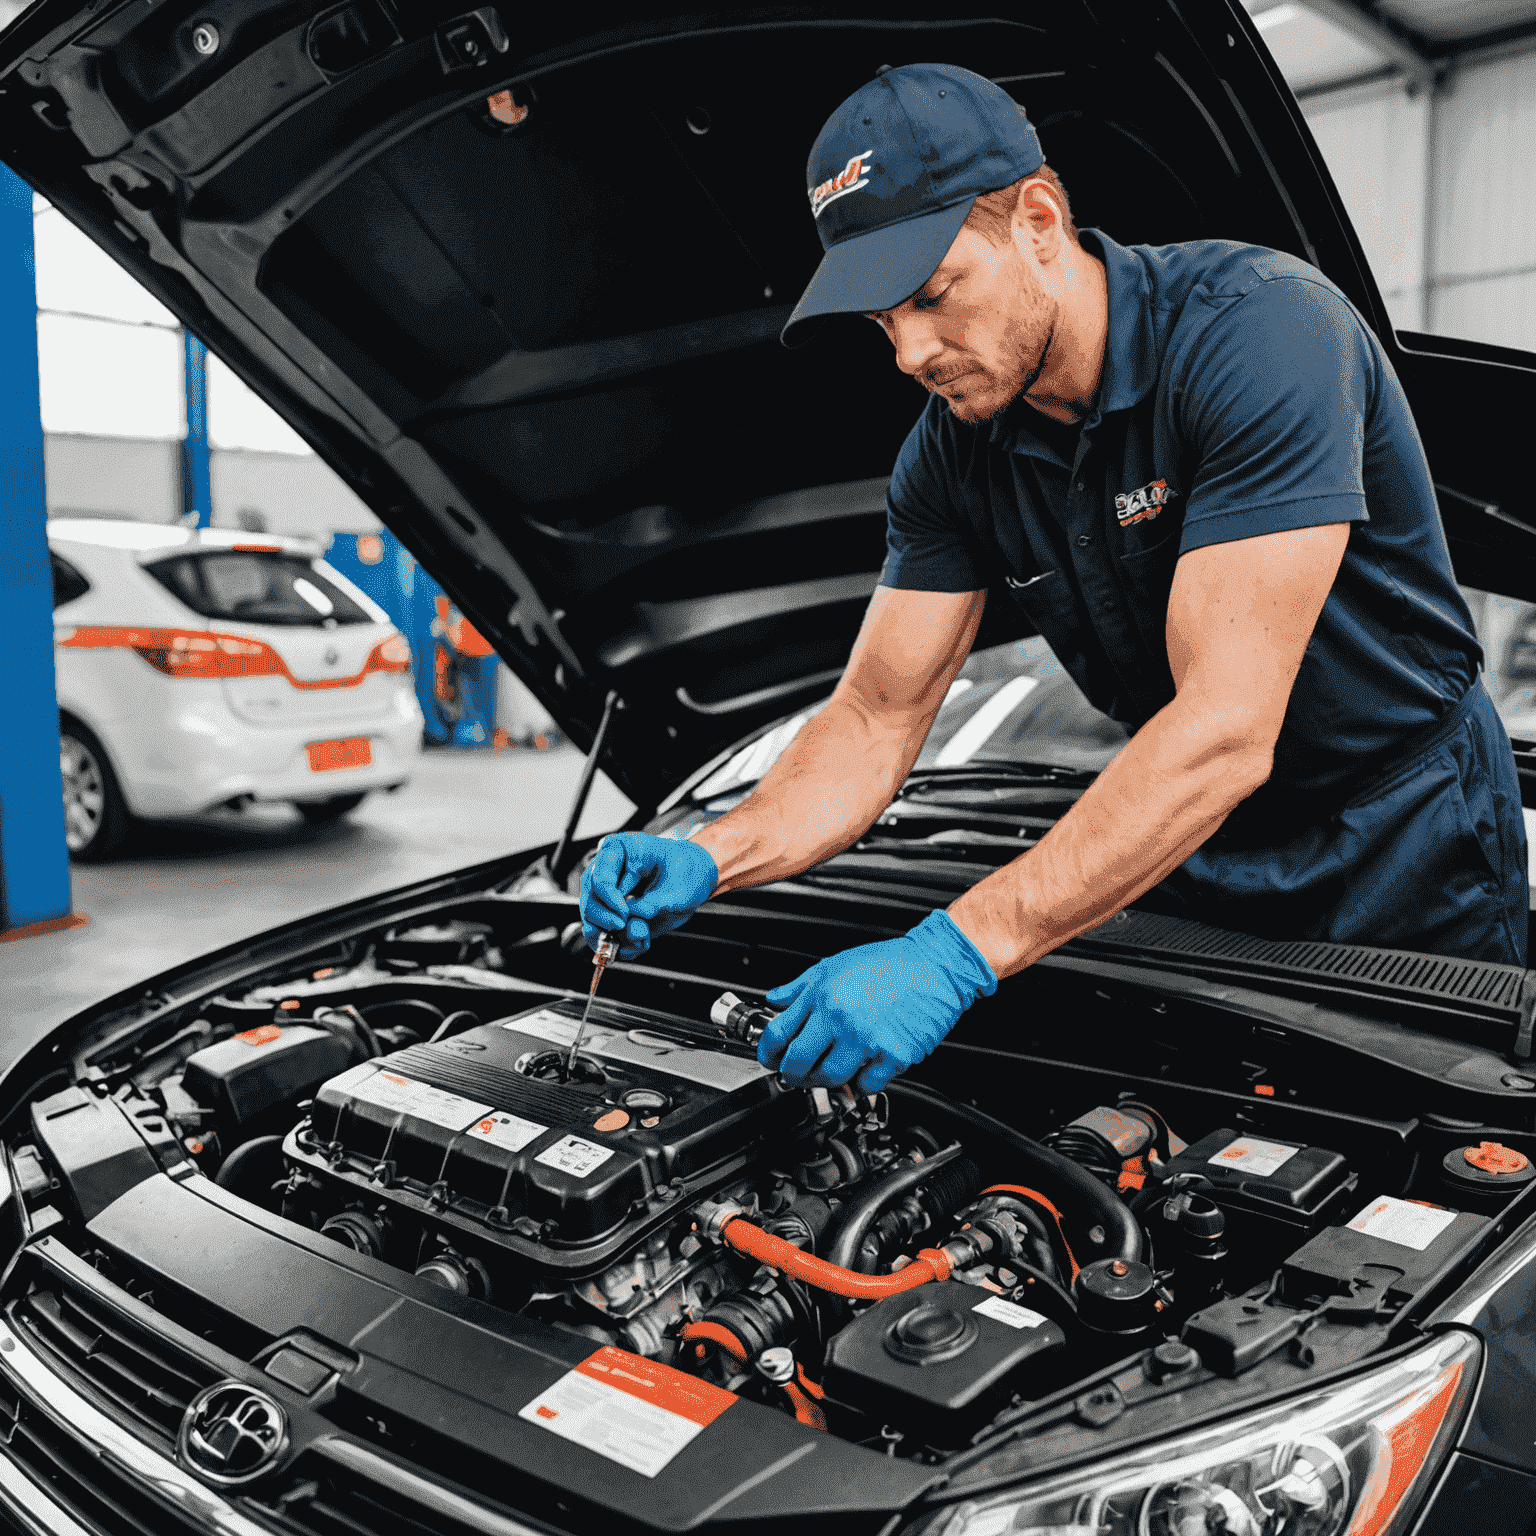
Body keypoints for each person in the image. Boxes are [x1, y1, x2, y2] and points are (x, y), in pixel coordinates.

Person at [581, 62, 1527, 1096]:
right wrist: (717, 852)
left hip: (1401, 835)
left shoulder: (1260, 333)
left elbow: (1222, 726)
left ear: (1038, 220)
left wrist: (953, 952)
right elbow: (873, 719)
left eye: (932, 296)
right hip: (1186, 835)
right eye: (878, 322)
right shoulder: (951, 455)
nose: (908, 353)